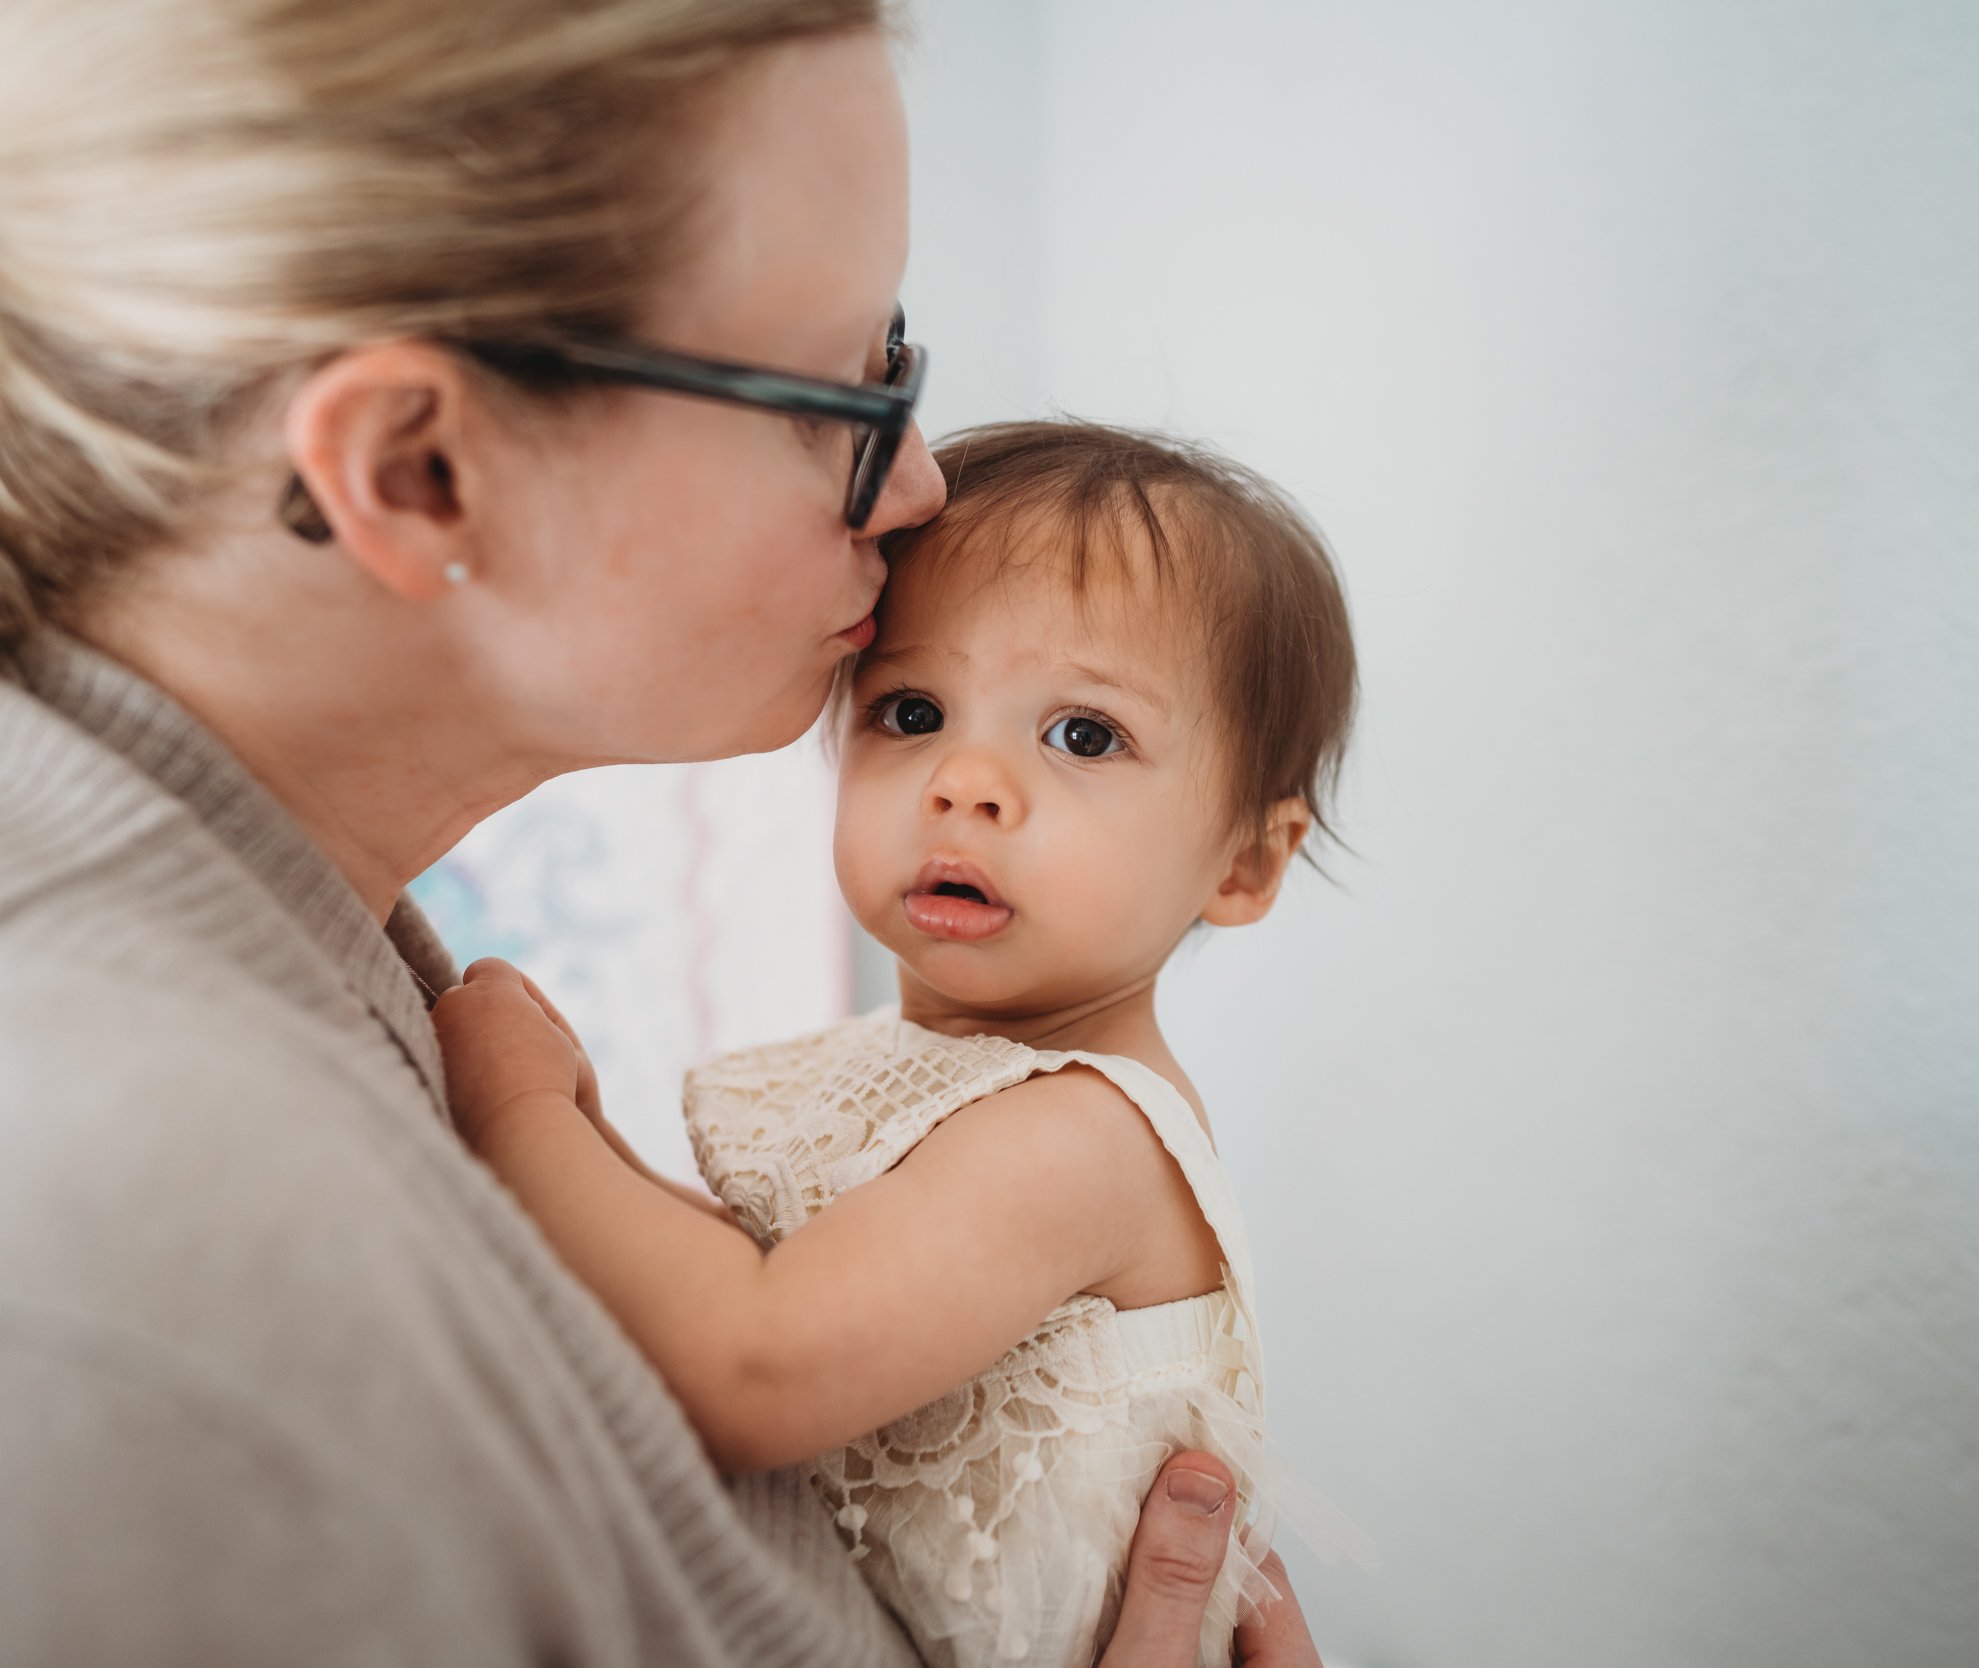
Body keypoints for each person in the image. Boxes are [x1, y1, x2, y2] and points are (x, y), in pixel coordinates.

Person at [0, 1, 1326, 1663]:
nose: (917, 495)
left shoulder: (294, 955)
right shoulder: (22, 1317)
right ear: (417, 470)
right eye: (844, 386)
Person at [436, 420, 1366, 1668]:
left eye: (1083, 734)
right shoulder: (932, 1079)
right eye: (912, 711)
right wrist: (597, 1136)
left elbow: (752, 1366)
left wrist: (517, 1115)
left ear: (1247, 860)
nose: (964, 781)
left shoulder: (1077, 1135)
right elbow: (777, 1276)